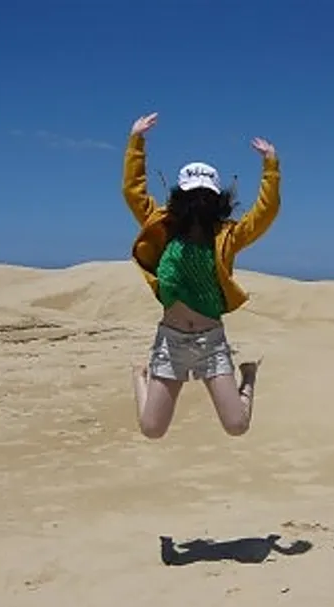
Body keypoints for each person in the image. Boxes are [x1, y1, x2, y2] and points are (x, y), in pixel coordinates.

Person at [122, 111, 281, 439]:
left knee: (237, 426)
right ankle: (139, 374)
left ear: (215, 198)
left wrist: (270, 167)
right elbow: (133, 192)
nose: (199, 201)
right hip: (171, 341)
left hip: (211, 341)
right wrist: (136, 141)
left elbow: (264, 214)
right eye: (192, 194)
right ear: (180, 196)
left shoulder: (227, 236)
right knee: (152, 429)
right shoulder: (162, 226)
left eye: (205, 195)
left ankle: (249, 375)